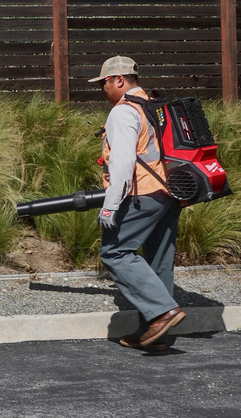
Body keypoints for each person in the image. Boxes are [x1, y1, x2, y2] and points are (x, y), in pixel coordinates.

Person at [88, 56, 186, 351]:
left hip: (142, 194)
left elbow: (123, 162)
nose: (102, 90)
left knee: (115, 252)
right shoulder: (153, 104)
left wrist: (110, 205)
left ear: (119, 79)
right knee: (159, 260)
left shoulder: (123, 112)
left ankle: (162, 312)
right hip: (169, 193)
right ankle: (155, 335)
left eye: (104, 83)